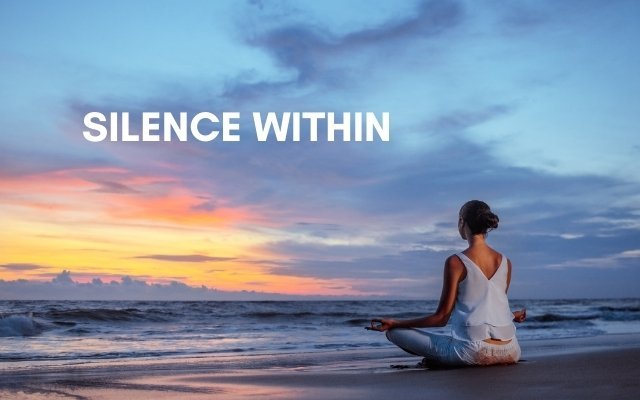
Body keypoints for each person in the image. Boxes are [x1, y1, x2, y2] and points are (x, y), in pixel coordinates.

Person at [367, 200, 526, 367]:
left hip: (472, 353)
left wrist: (396, 323)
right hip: (511, 350)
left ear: (462, 222)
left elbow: (441, 318)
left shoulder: (456, 262)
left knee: (394, 333)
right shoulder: (506, 262)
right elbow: (490, 305)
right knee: (455, 340)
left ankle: (439, 359)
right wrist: (511, 316)